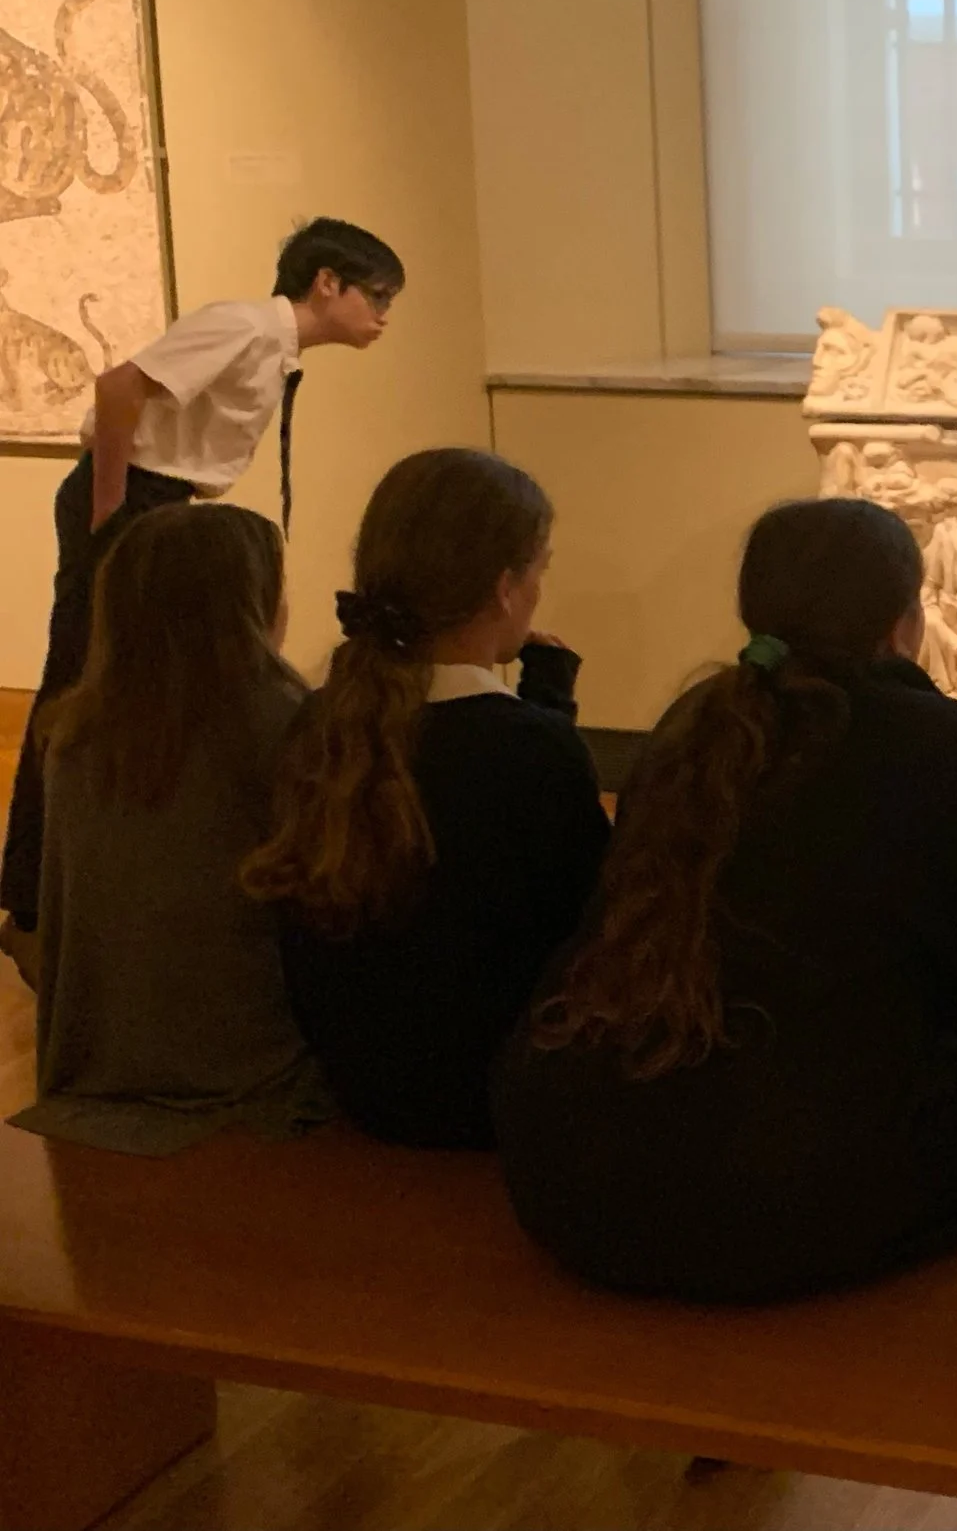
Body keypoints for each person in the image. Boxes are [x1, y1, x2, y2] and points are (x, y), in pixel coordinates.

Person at [495, 499, 957, 1303]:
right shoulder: (943, 740)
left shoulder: (692, 723)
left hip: (572, 1155)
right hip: (781, 1181)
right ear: (902, 621)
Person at [0, 218, 402, 945]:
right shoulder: (245, 328)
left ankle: (77, 880)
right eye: (376, 295)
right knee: (76, 680)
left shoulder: (268, 347)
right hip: (133, 500)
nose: (383, 316)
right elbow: (120, 386)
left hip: (160, 502)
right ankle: (30, 896)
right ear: (327, 283)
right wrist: (111, 515)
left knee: (124, 682)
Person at [241, 448, 608, 1149]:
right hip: (498, 1102)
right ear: (506, 587)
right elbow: (585, 936)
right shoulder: (527, 752)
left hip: (363, 1088)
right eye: (539, 570)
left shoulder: (318, 723)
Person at [9, 505, 332, 1154]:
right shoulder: (281, 724)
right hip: (245, 1080)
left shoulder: (75, 735)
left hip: (93, 1071)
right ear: (249, 602)